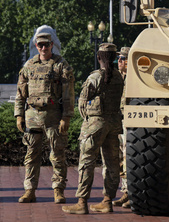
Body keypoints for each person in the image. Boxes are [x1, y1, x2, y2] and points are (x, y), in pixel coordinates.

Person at [62, 43, 124, 214]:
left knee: (86, 162)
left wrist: (89, 120)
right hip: (114, 124)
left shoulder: (94, 78)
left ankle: (82, 202)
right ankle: (107, 201)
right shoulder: (119, 77)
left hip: (95, 124)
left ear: (99, 58)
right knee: (112, 163)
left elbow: (82, 105)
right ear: (114, 58)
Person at [14, 32, 75, 204]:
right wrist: (19, 115)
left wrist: (66, 117)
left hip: (53, 116)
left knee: (57, 154)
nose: (43, 48)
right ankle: (29, 190)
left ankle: (58, 190)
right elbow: (20, 93)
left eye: (46, 45)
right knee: (31, 155)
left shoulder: (61, 65)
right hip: (32, 116)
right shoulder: (28, 65)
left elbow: (69, 94)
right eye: (40, 45)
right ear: (36, 46)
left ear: (51, 45)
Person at [113, 46, 130, 208]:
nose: (119, 62)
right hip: (117, 121)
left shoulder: (135, 79)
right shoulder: (117, 77)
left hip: (129, 123)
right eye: (118, 59)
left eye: (122, 59)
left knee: (128, 157)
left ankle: (130, 193)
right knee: (118, 157)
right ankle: (125, 191)